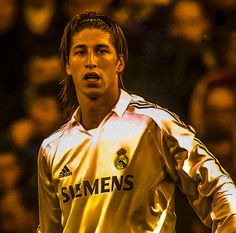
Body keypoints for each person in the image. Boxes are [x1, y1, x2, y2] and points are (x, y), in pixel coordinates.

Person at [37, 11, 236, 233]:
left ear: (120, 62)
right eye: (80, 52)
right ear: (67, 65)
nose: (91, 62)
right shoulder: (52, 149)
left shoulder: (153, 124)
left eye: (101, 51)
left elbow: (217, 188)